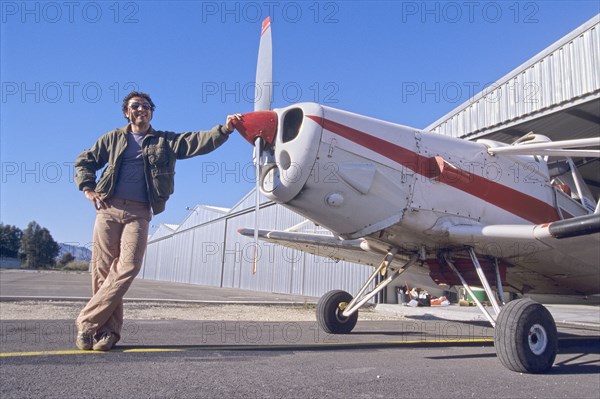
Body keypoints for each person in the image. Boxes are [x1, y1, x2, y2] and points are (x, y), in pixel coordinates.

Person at [74, 91, 241, 351]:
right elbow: (85, 160)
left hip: (140, 212)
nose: (141, 109)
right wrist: (88, 188)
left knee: (127, 267)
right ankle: (106, 333)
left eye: (146, 106)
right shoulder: (113, 138)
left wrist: (225, 129)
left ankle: (86, 322)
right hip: (109, 207)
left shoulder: (164, 141)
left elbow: (196, 141)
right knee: (103, 271)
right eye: (135, 106)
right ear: (126, 112)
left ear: (152, 111)